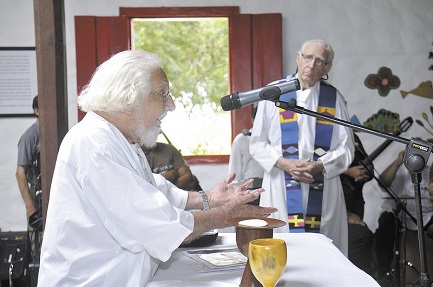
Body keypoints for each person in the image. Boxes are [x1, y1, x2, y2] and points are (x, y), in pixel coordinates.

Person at [37, 50, 277, 286]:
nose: (170, 104)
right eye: (163, 94)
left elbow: (149, 188)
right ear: (129, 96)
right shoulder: (95, 144)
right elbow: (156, 224)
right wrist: (224, 216)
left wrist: (208, 199)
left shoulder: (118, 138)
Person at [250, 39, 354, 256]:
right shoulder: (274, 93)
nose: (311, 64)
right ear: (298, 58)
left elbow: (346, 149)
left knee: (325, 252)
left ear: (327, 68)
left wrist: (319, 165)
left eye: (319, 61)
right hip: (281, 183)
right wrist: (284, 163)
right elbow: (258, 142)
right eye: (307, 57)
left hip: (323, 186)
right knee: (283, 247)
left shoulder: (334, 98)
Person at [374, 150, 433, 285]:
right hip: (397, 213)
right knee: (384, 228)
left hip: (425, 215)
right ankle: (383, 274)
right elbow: (382, 183)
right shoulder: (399, 169)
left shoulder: (429, 172)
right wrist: (397, 162)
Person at [340, 132, 376, 276]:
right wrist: (347, 171)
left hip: (355, 202)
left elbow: (367, 166)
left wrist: (365, 172)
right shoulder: (321, 133)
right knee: (362, 236)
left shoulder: (351, 136)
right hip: (337, 208)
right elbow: (318, 169)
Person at [16, 95, 41, 221]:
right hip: (37, 192)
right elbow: (20, 173)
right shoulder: (30, 136)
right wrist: (30, 206)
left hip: (53, 188)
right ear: (36, 111)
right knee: (37, 237)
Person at [228, 106, 265, 183]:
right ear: (252, 120)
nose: (262, 124)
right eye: (259, 120)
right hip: (248, 188)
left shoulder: (273, 140)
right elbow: (234, 172)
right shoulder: (240, 140)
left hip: (270, 186)